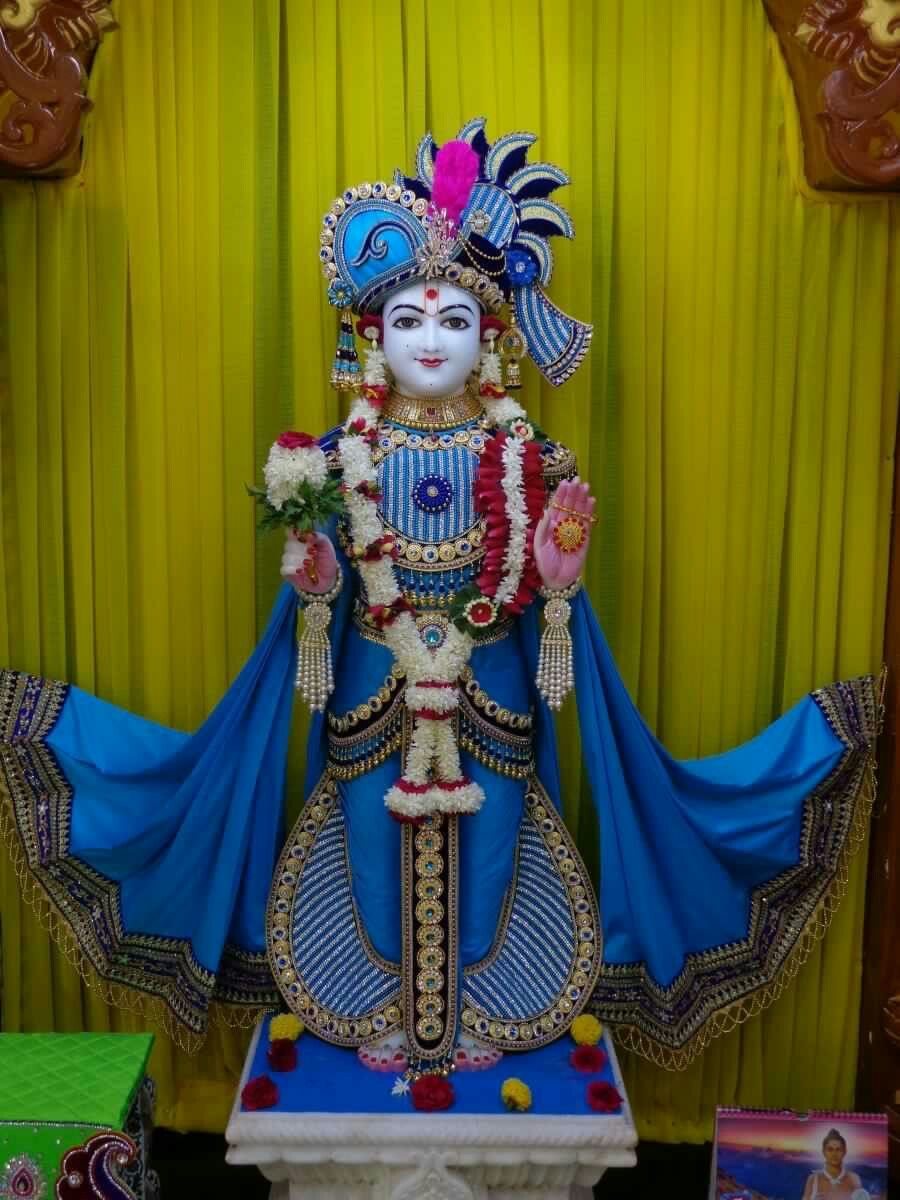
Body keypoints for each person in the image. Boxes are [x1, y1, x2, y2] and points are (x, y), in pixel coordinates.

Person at [0, 120, 879, 1075]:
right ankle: (389, 1010)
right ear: (369, 336)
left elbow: (559, 624)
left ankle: (473, 1016)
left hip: (491, 696)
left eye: (455, 320)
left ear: (493, 341)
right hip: (371, 701)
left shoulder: (532, 459)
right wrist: (320, 591)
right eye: (409, 320)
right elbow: (318, 604)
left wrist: (555, 586)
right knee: (374, 856)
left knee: (493, 850)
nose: (430, 340)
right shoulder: (336, 461)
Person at [801, 1129, 867, 1199]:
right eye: (830, 1149)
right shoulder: (813, 1180)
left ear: (844, 1152)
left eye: (838, 1149)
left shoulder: (854, 1179)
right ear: (824, 1152)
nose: (834, 1154)